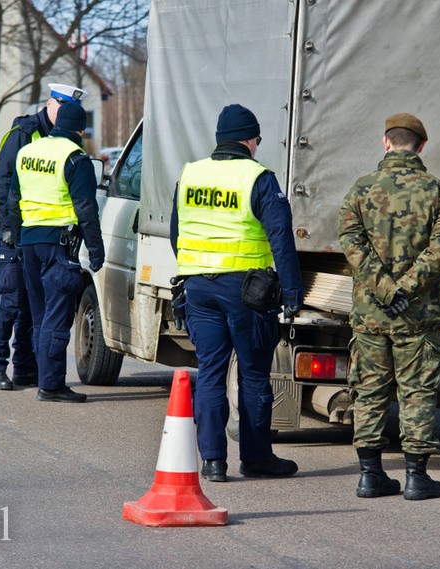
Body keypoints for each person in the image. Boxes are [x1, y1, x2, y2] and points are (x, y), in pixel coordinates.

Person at [170, 103, 303, 482]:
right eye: (257, 139)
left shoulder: (191, 174)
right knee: (253, 374)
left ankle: (213, 462)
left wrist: (197, 269)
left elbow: (177, 233)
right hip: (247, 291)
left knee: (210, 372)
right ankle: (256, 458)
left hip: (198, 287)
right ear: (249, 140)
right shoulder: (258, 177)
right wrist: (292, 292)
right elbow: (281, 238)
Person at [338, 113, 440, 500]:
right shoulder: (438, 192)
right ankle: (415, 477)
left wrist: (385, 288)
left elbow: (352, 244)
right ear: (421, 146)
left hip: (371, 314)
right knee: (417, 392)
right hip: (417, 315)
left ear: (386, 142)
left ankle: (370, 475)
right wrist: (405, 289)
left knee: (369, 391)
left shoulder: (360, 190)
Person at [0, 83, 85, 391]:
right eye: (61, 105)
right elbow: (3, 182)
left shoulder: (64, 138)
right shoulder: (23, 134)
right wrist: (8, 228)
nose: (64, 112)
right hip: (11, 226)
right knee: (11, 295)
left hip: (38, 231)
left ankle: (26, 368)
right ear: (49, 103)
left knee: (33, 300)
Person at [6, 102, 104, 403]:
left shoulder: (28, 153)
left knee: (40, 316)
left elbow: (13, 199)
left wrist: (16, 238)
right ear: (80, 131)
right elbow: (86, 210)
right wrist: (96, 251)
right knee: (57, 318)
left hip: (29, 243)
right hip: (58, 247)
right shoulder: (75, 159)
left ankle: (43, 378)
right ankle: (51, 386)